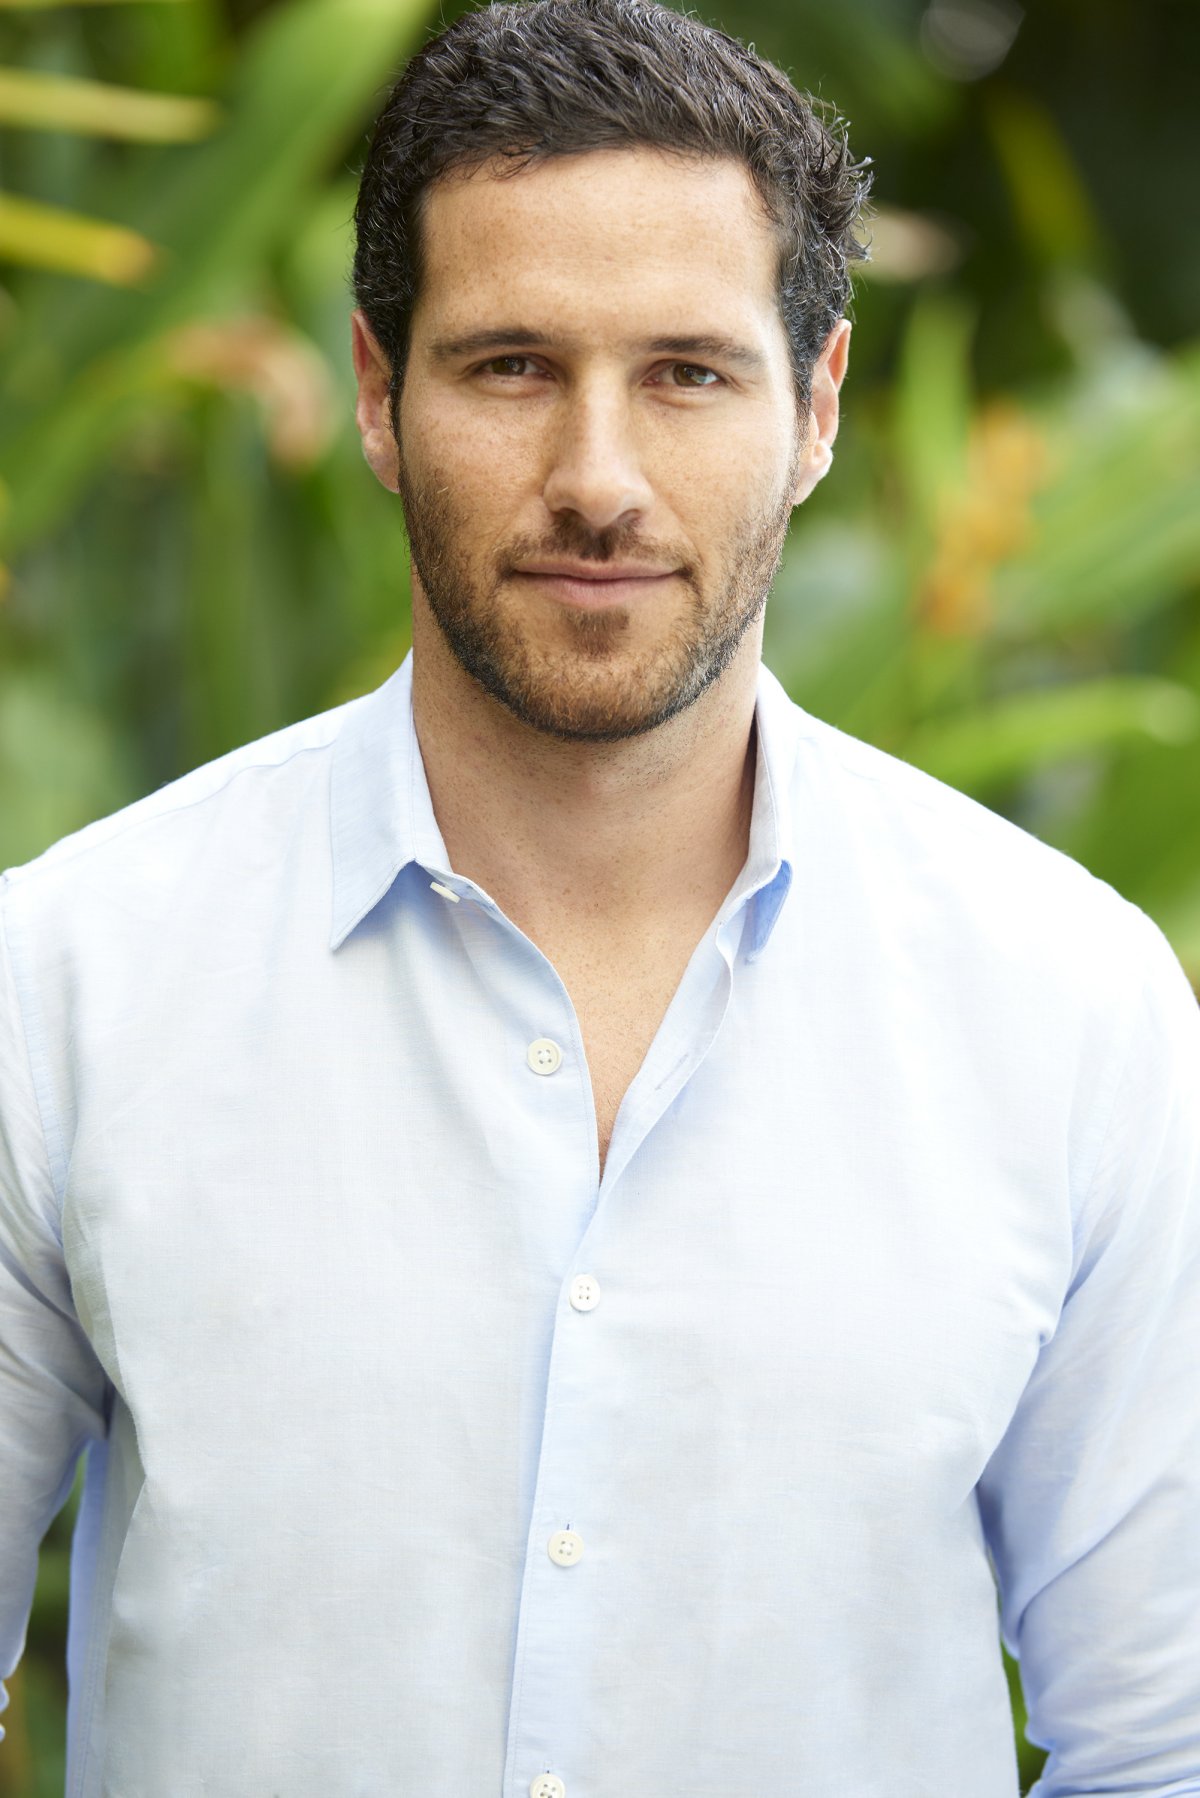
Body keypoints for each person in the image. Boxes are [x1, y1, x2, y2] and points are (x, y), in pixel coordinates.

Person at [1, 0, 1198, 1791]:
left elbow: (1162, 1741)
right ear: (377, 394)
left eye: (689, 374)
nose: (599, 482)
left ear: (818, 406)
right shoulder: (70, 982)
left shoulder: (1070, 1008)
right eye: (509, 366)